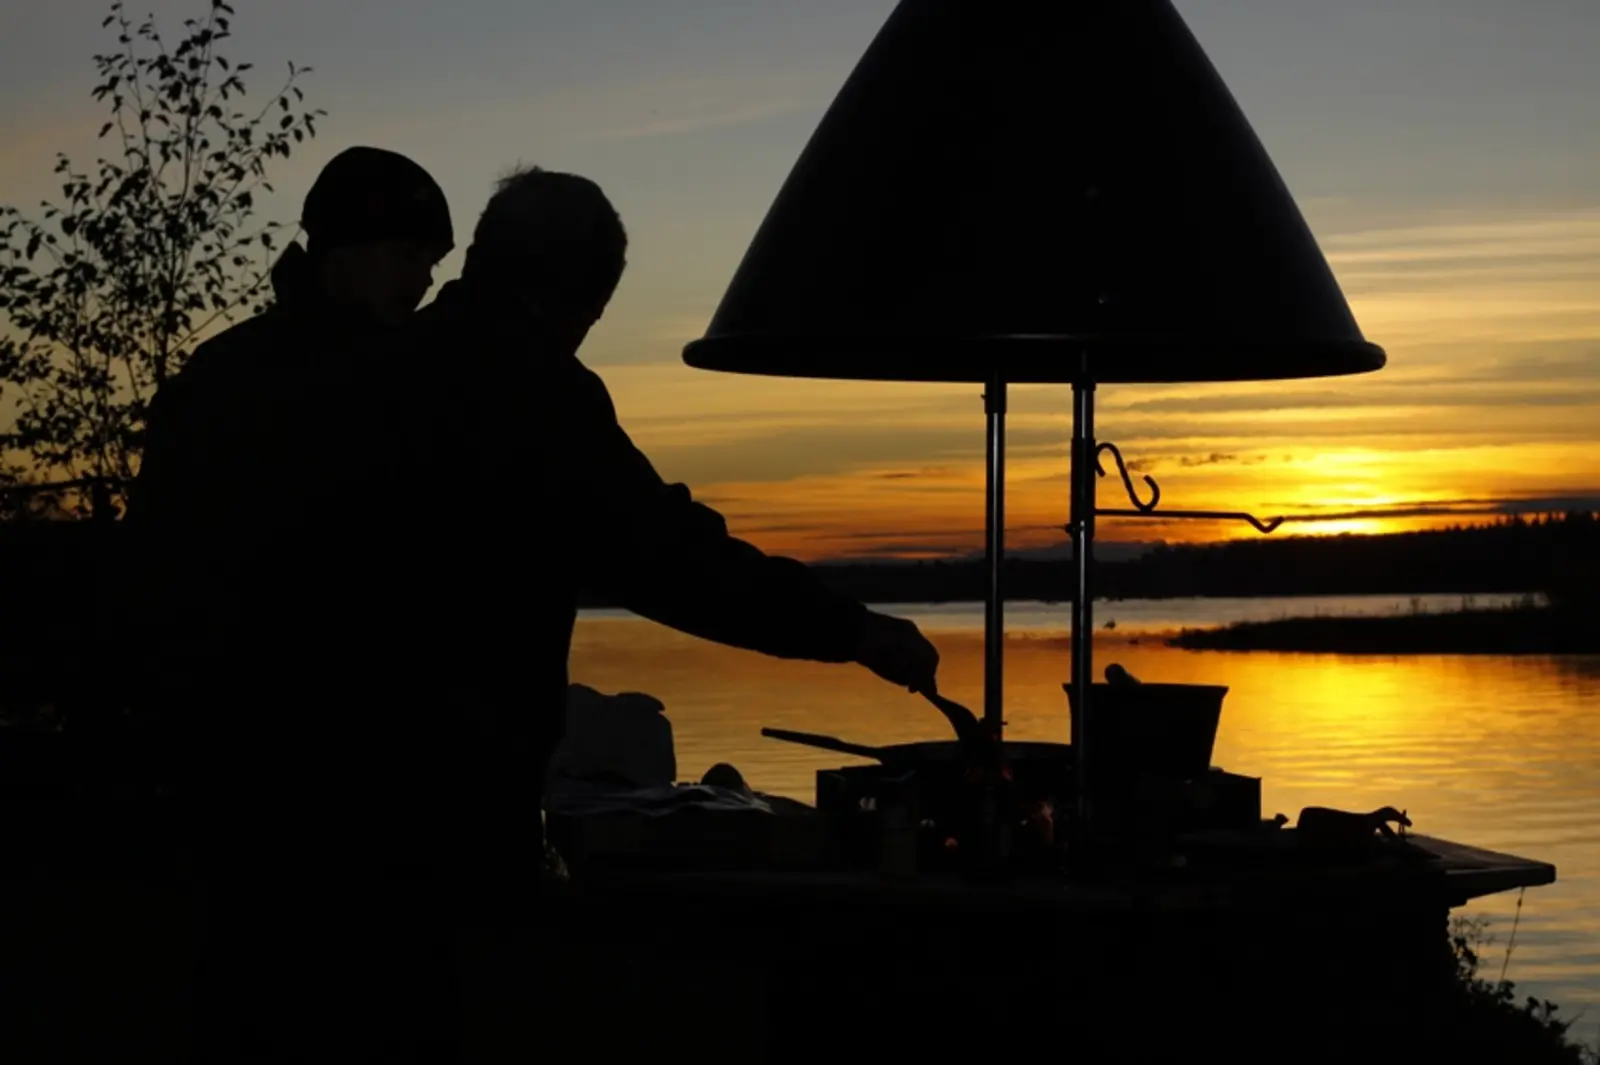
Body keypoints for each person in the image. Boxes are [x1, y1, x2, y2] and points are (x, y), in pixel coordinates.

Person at [398, 165, 941, 842]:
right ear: (577, 296)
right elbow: (672, 559)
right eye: (592, 316)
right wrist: (854, 631)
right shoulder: (538, 395)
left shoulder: (377, 364)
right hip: (447, 801)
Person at [125, 146, 462, 1063]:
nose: (425, 279)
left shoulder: (360, 374)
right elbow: (162, 578)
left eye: (434, 260)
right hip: (276, 782)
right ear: (342, 252)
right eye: (410, 254)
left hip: (344, 786)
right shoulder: (257, 385)